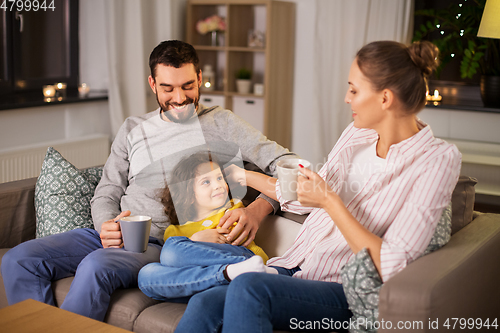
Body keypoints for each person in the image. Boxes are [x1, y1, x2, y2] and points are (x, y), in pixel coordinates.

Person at [174, 40, 462, 333]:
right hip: (293, 267)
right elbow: (303, 197)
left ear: (385, 98)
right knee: (204, 303)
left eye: (354, 89)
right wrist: (242, 176)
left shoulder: (436, 160)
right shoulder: (357, 135)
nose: (347, 98)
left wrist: (331, 203)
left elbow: (392, 264)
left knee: (250, 288)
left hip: (340, 291)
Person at [0, 40, 295, 321]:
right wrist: (106, 225)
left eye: (188, 86)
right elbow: (108, 189)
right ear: (152, 84)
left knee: (95, 266)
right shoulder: (132, 128)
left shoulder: (223, 123)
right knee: (18, 259)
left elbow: (288, 166)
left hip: (161, 241)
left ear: (200, 78)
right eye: (167, 88)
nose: (179, 98)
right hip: (113, 233)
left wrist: (258, 209)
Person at [138, 151, 277, 300]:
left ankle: (247, 269)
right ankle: (228, 273)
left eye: (219, 178)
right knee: (146, 274)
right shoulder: (175, 231)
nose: (218, 185)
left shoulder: (233, 210)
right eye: (206, 182)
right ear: (189, 195)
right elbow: (175, 265)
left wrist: (241, 175)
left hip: (243, 260)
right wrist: (194, 240)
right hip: (204, 283)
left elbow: (280, 190)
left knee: (171, 249)